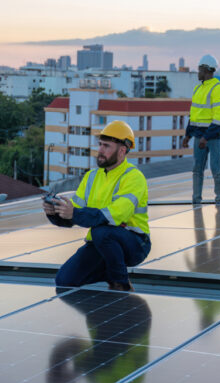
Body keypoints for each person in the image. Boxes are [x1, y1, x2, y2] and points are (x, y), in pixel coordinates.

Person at [45, 120, 151, 291]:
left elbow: (115, 216)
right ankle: (109, 271)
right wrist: (55, 212)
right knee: (64, 280)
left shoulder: (133, 177)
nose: (100, 150)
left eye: (106, 146)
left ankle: (121, 283)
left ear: (122, 150)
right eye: (100, 145)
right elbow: (74, 214)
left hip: (135, 243)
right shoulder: (92, 177)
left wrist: (75, 214)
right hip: (102, 243)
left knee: (101, 231)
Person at [181, 54, 220, 204]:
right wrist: (188, 135)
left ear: (207, 70)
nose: (198, 72)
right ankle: (196, 200)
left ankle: (219, 200)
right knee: (197, 169)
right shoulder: (198, 89)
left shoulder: (218, 89)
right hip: (199, 136)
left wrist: (206, 138)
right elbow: (194, 116)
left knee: (216, 170)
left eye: (200, 69)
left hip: (214, 137)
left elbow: (219, 118)